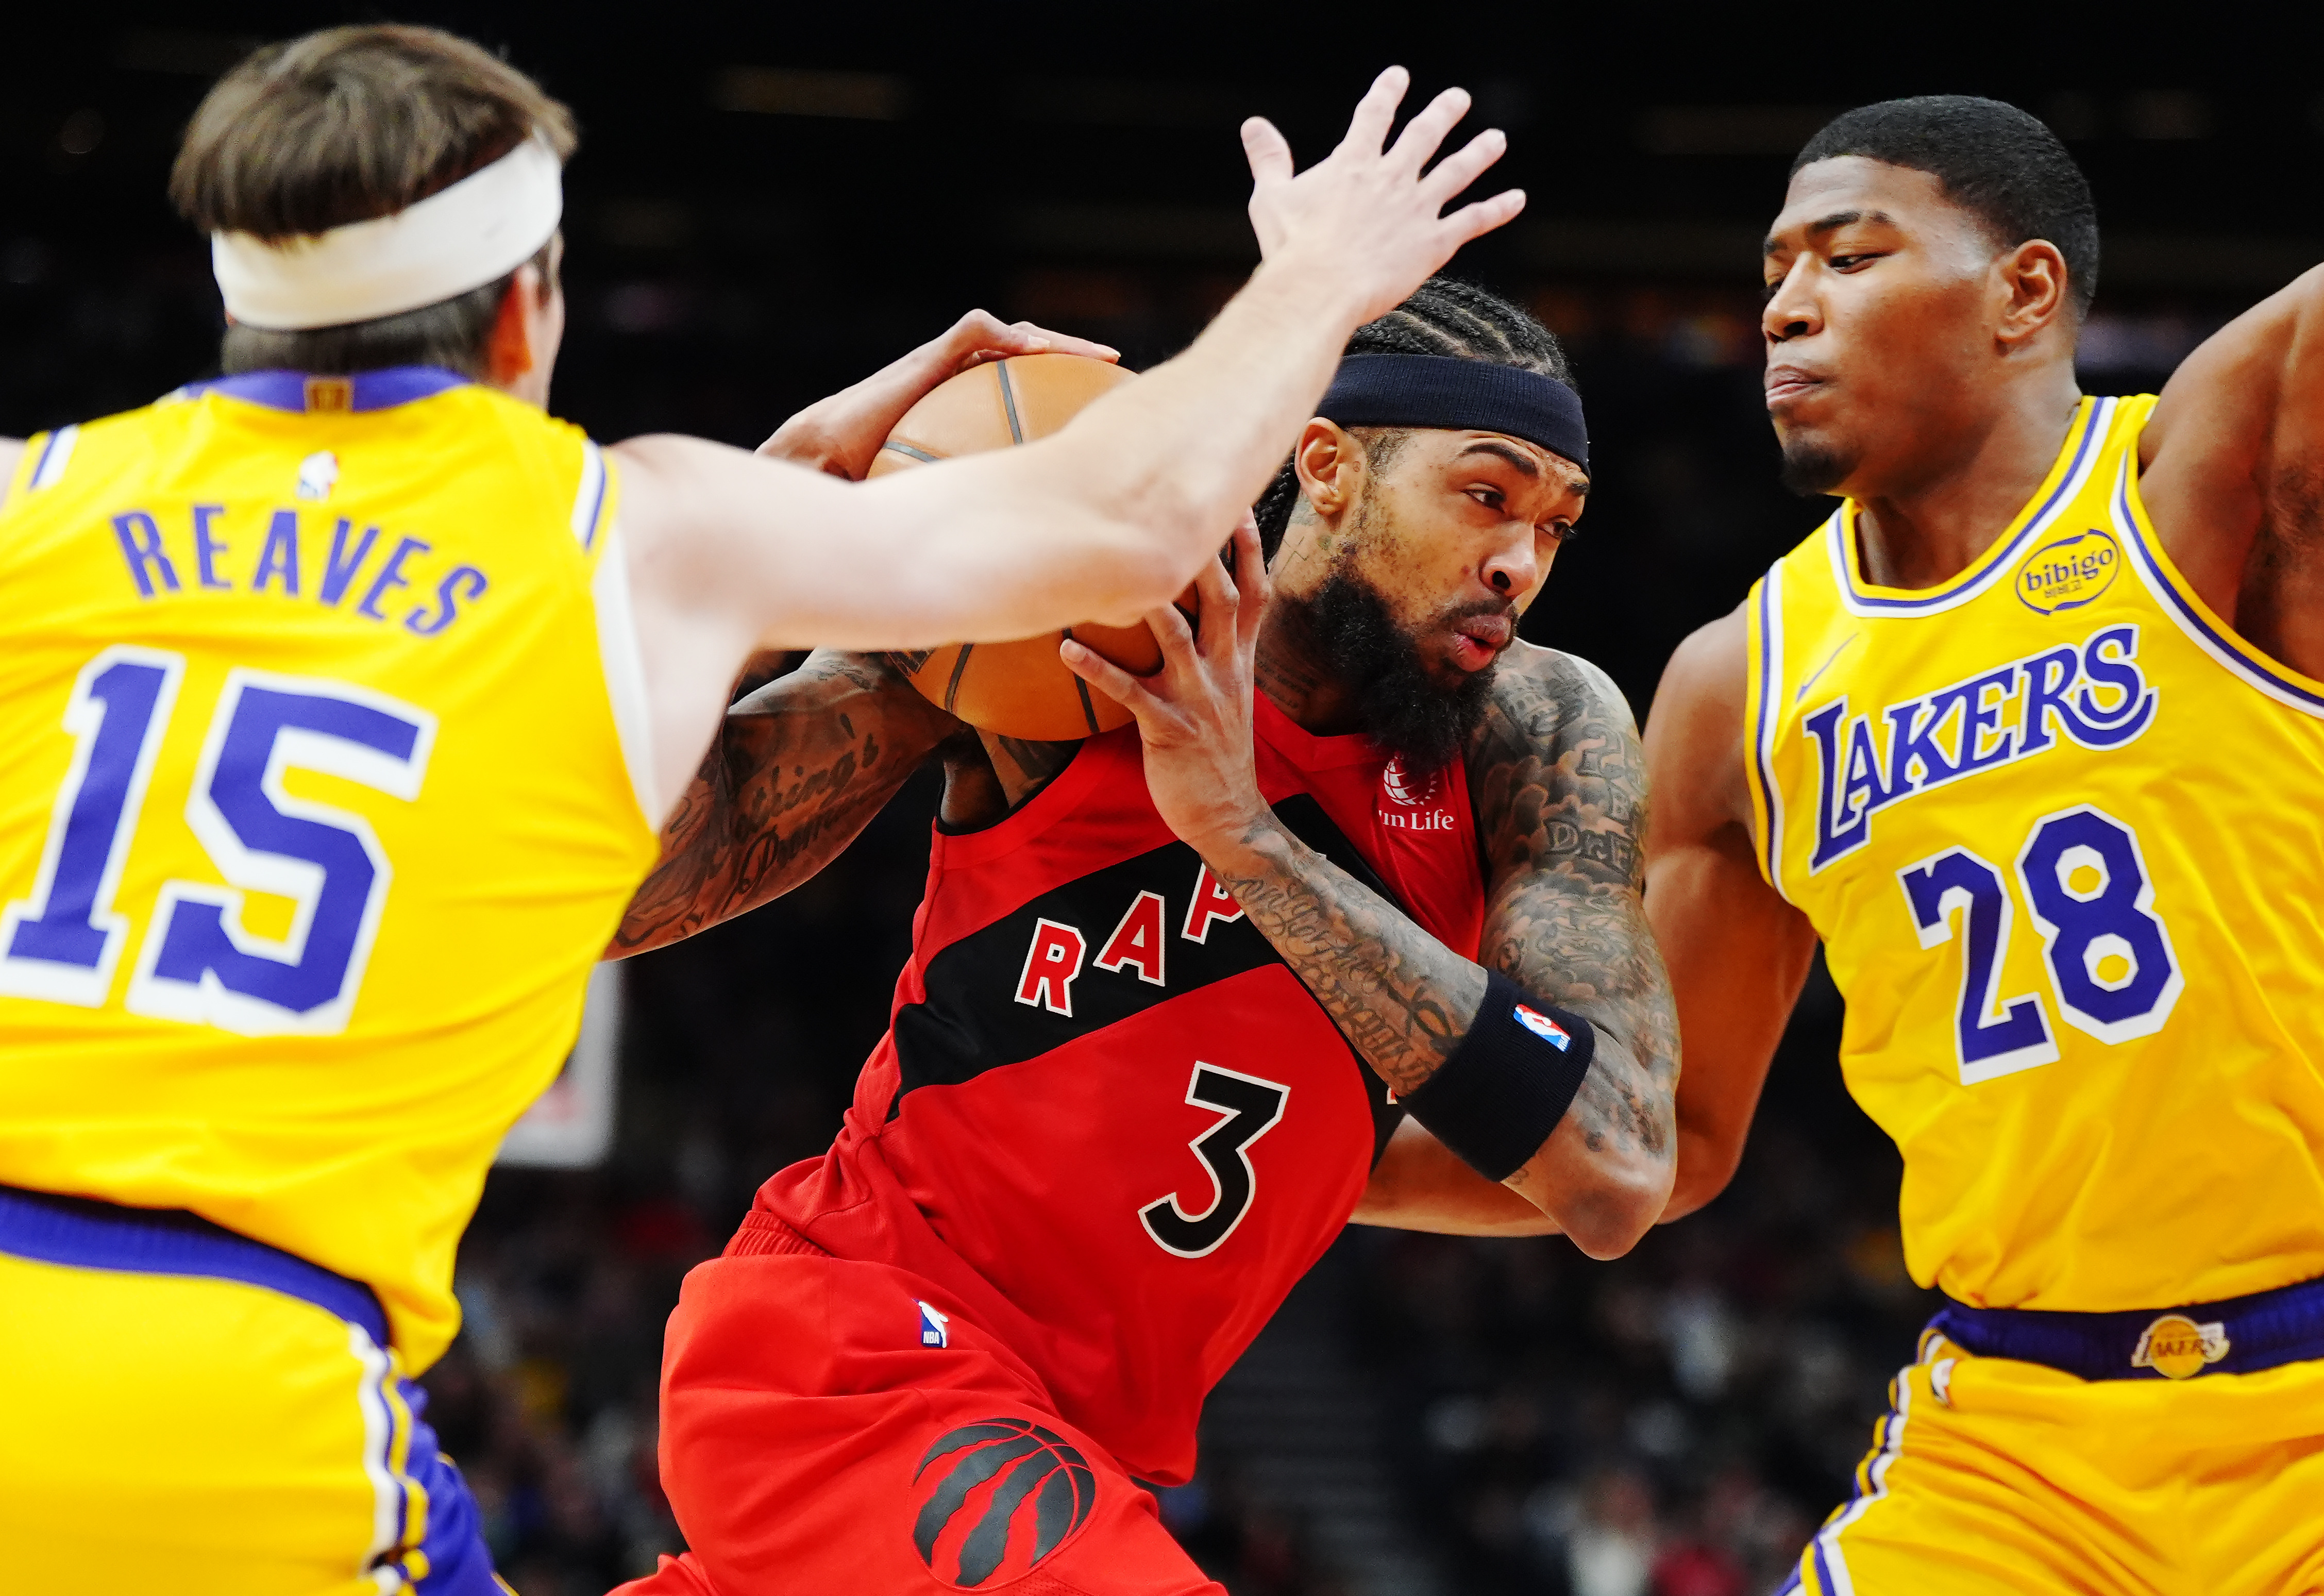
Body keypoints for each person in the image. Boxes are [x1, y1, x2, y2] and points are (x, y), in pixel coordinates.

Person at [0, 24, 1526, 1592]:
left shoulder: (28, 498)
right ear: (530, 310)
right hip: (243, 1371)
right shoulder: (630, 528)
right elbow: (1131, 523)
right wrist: (1319, 276)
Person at [606, 279, 1680, 1595]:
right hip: (865, 1349)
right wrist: (746, 557)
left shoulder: (1536, 729)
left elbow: (1616, 1169)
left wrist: (1255, 850)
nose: (1520, 560)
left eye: (1555, 526)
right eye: (1484, 496)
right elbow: (615, 899)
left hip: (1070, 1446)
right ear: (1330, 467)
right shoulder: (1074, 642)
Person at [1642, 3, 2324, 1588]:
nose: (1786, 308)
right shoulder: (1735, 687)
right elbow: (1659, 1146)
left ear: (2024, 292)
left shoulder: (2203, 482)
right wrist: (1298, 1122)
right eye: (1772, 277)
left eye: (1848, 257)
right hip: (2015, 1454)